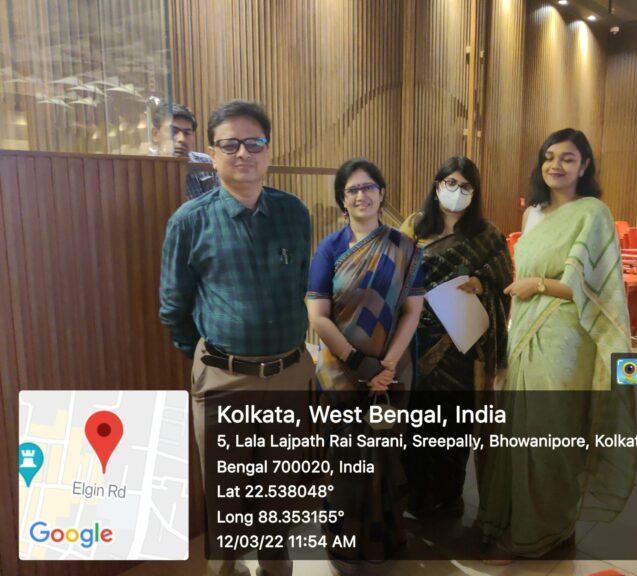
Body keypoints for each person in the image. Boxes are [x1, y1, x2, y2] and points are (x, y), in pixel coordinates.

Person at [159, 100, 313, 576]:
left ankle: (274, 566)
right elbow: (173, 307)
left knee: (280, 490)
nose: (243, 153)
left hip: (289, 375)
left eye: (254, 142)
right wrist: (211, 359)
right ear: (212, 152)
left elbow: (300, 287)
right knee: (226, 496)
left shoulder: (293, 213)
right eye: (230, 144)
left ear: (268, 149)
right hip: (224, 381)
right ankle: (225, 569)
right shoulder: (190, 221)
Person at [478, 128, 637, 560]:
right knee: (519, 431)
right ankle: (514, 521)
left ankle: (545, 530)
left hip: (567, 338)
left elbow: (596, 290)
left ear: (584, 166)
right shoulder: (534, 213)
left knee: (552, 433)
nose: (556, 165)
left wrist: (539, 284)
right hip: (526, 332)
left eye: (568, 158)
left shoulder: (594, 213)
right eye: (549, 157)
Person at [306, 158, 424, 571]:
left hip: (391, 374)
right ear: (343, 199)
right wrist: (359, 362)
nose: (362, 195)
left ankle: (385, 539)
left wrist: (386, 365)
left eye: (369, 187)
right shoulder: (330, 248)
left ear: (382, 192)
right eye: (353, 189)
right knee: (345, 461)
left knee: (386, 458)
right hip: (340, 373)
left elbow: (412, 311)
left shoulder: (405, 249)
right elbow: (318, 316)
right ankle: (343, 544)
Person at [400, 156, 512, 517]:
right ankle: (413, 497)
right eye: (450, 183)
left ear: (474, 192)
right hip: (415, 343)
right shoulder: (414, 227)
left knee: (453, 424)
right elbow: (395, 275)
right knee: (416, 422)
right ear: (437, 187)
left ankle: (448, 496)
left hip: (461, 347)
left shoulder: (486, 234)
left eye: (465, 186)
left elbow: (503, 277)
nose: (457, 191)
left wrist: (480, 281)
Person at [151, 102, 220, 199]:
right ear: (155, 134)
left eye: (187, 133)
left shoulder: (206, 163)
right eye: (173, 131)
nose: (181, 139)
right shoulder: (145, 169)